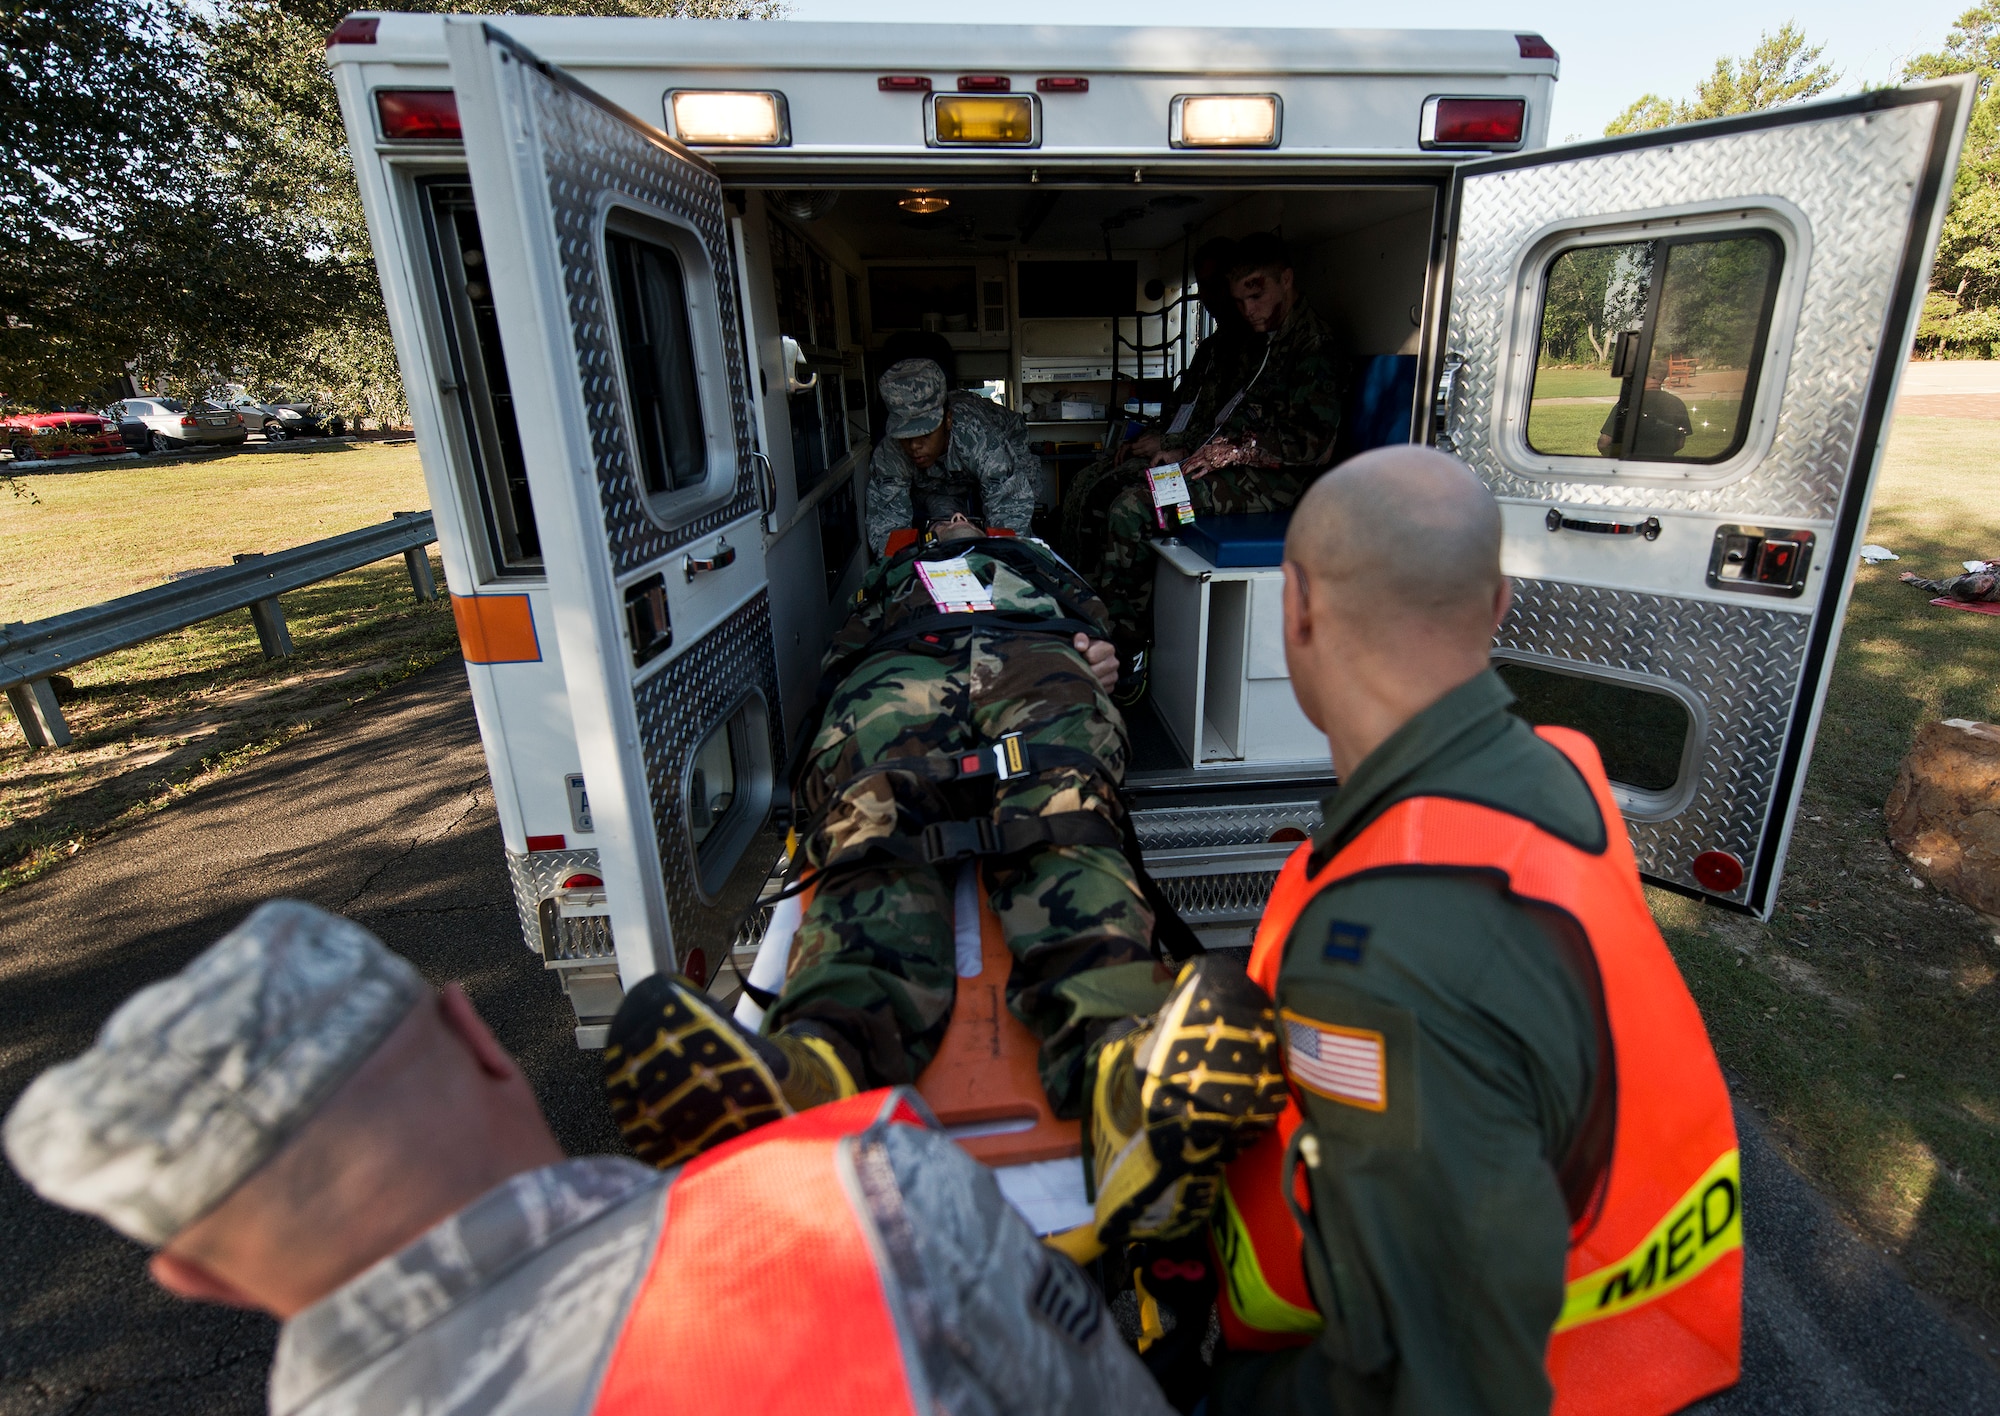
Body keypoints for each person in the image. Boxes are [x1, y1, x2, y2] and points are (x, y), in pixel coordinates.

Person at [1, 899, 1178, 1416]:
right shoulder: (856, 1199)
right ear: (477, 1034)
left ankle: (821, 1049)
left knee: (875, 886)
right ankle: (1126, 1118)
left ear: (193, 1279)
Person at [1203, 447, 1742, 1416]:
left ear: (1296, 608)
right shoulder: (1553, 776)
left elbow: (1441, 1385)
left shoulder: (1387, 952)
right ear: (1496, 604)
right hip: (1641, 1356)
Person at [599, 521, 1288, 1248]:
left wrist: (1100, 652)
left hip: (1037, 656)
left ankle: (1121, 1070)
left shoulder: (1031, 554)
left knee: (1065, 806)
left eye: (966, 518)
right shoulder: (894, 570)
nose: (954, 522)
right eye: (942, 522)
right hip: (902, 665)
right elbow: (844, 651)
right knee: (872, 816)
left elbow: (1097, 616)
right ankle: (826, 1060)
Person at [1095, 233, 1344, 693]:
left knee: (1132, 510)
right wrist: (1183, 451)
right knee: (1121, 488)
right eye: (1240, 299)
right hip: (1229, 469)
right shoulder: (1261, 343)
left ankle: (1127, 648)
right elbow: (1222, 416)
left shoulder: (1311, 348)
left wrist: (1237, 450)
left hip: (1274, 484)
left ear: (1286, 280)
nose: (1248, 308)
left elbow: (1315, 443)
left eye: (1257, 293)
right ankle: (1113, 615)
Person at [1057, 235, 1251, 578]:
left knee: (1119, 501)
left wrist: (1173, 444)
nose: (1206, 297)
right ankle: (1078, 582)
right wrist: (1153, 437)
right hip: (1180, 450)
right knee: (1085, 480)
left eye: (1213, 285)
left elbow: (1227, 429)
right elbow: (1181, 410)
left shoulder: (1252, 353)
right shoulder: (1211, 350)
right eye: (1201, 287)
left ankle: (1122, 613)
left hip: (1212, 466)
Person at [864, 357, 1037, 557]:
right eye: (905, 436)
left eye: (925, 434)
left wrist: (1002, 563)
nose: (914, 446)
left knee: (1019, 529)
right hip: (942, 475)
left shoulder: (979, 437)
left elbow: (1011, 510)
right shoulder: (891, 451)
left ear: (947, 420)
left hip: (1007, 443)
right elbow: (888, 529)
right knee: (950, 532)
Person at [1596, 349, 1691, 458]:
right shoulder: (1677, 404)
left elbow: (1604, 443)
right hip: (1664, 466)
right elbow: (1680, 443)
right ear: (1663, 378)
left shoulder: (1629, 403)